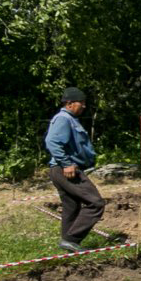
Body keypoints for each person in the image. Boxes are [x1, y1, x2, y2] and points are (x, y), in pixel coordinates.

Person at [44, 87, 106, 252]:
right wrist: (66, 164)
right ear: (70, 103)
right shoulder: (63, 119)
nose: (84, 106)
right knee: (96, 203)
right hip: (66, 169)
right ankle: (72, 239)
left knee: (71, 206)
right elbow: (52, 142)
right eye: (82, 102)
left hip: (61, 169)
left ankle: (68, 244)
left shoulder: (70, 119)